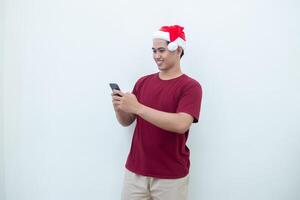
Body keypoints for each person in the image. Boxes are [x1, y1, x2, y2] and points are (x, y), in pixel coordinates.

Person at [111, 25, 202, 200]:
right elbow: (127, 121)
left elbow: (181, 124)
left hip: (171, 177)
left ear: (178, 50)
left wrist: (137, 107)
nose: (156, 56)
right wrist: (120, 108)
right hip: (135, 172)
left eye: (162, 50)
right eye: (153, 51)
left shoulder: (190, 86)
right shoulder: (143, 82)